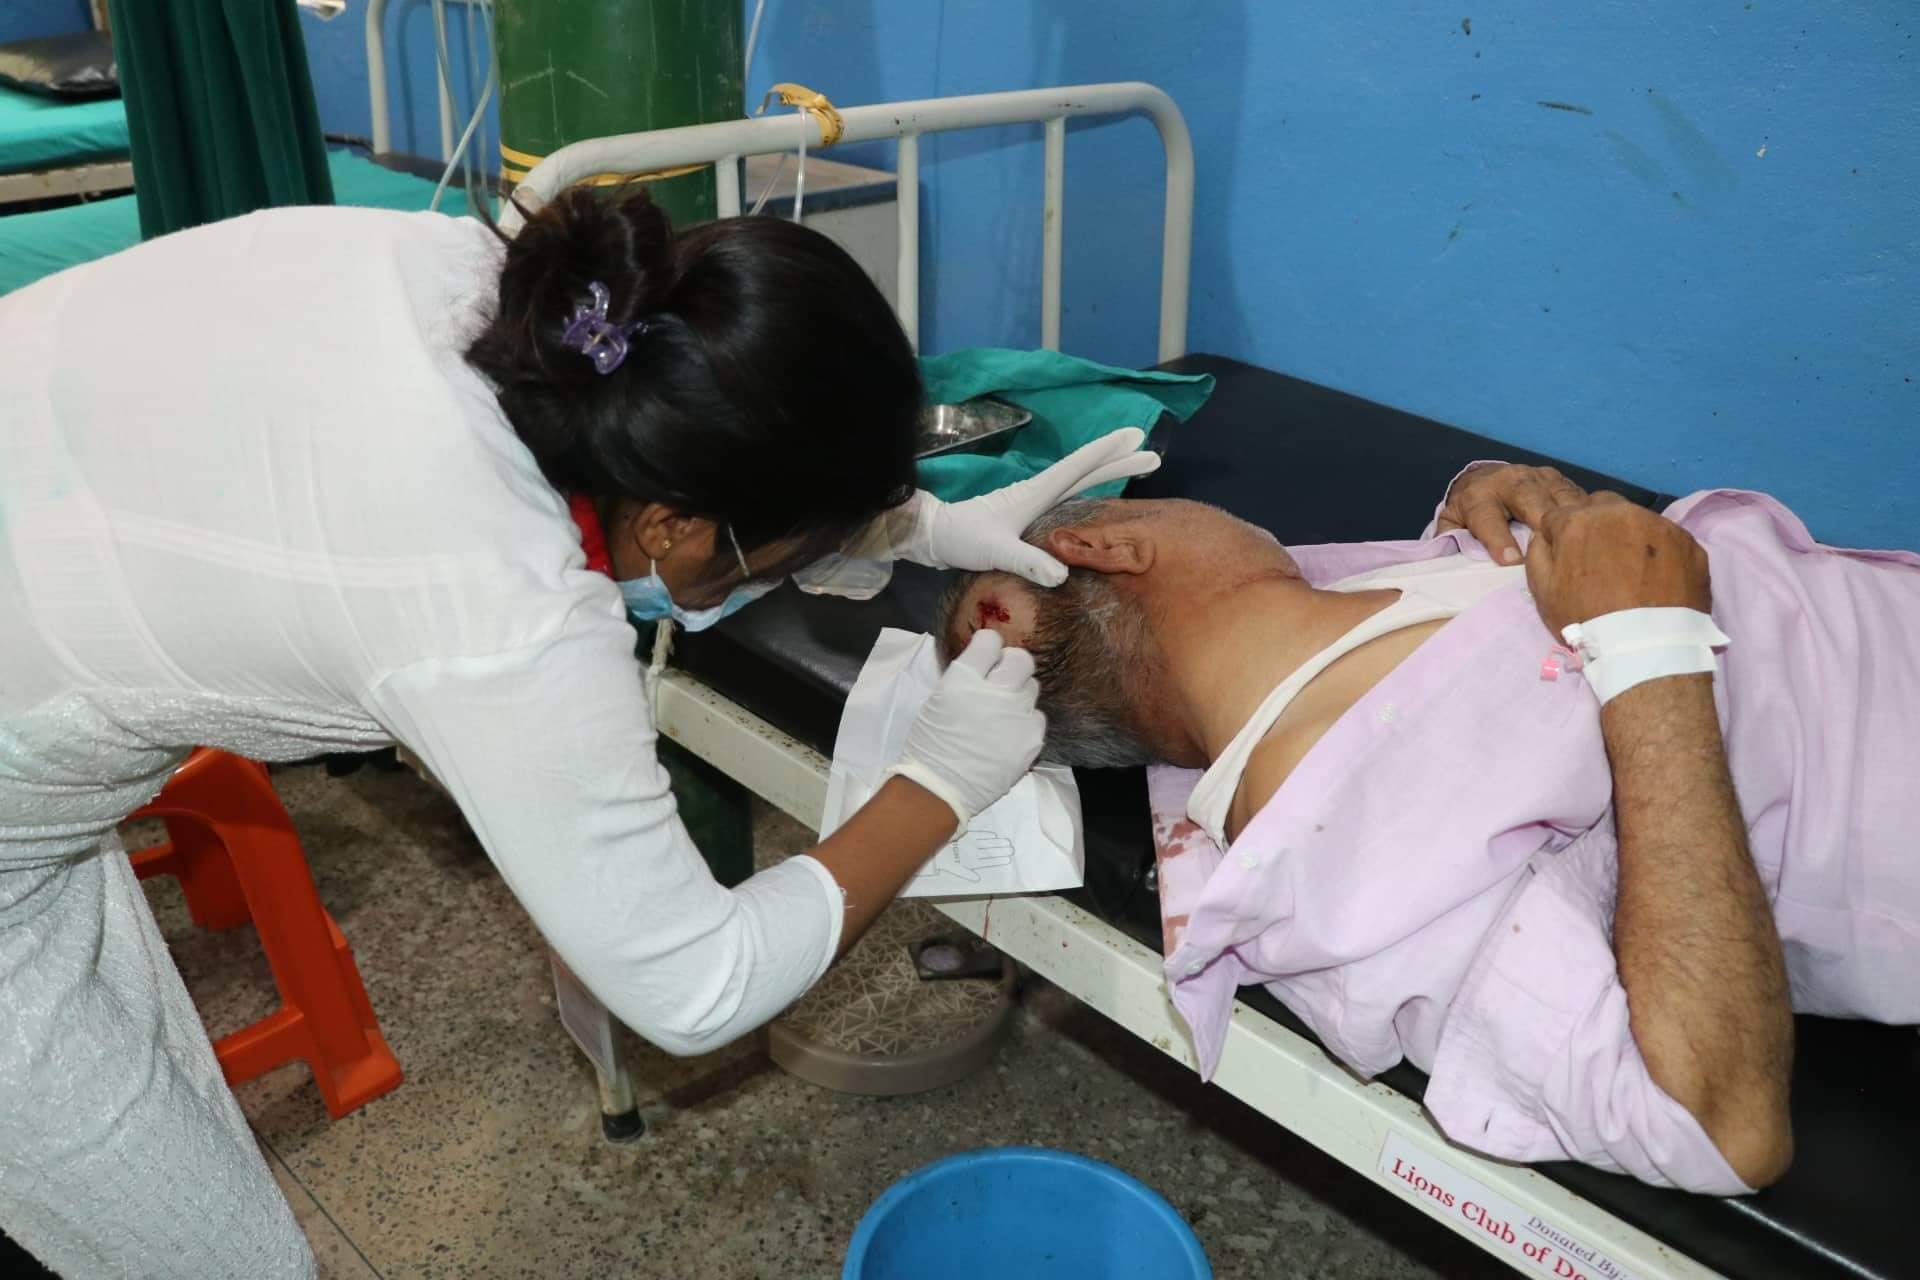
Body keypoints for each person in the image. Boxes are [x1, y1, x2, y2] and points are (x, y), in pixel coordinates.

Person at [0, 184, 1156, 1277]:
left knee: (133, 1128)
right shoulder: (499, 617)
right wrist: (939, 781)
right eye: (781, 558)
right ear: (674, 523)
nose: (779, 580)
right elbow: (696, 986)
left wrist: (917, 524)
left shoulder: (515, 300)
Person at [934, 464, 1920, 1195]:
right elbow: (1716, 1123)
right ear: (1104, 547)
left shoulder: (1320, 616)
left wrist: (1505, 511)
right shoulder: (1355, 862)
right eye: (1141, 503)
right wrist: (1648, 643)